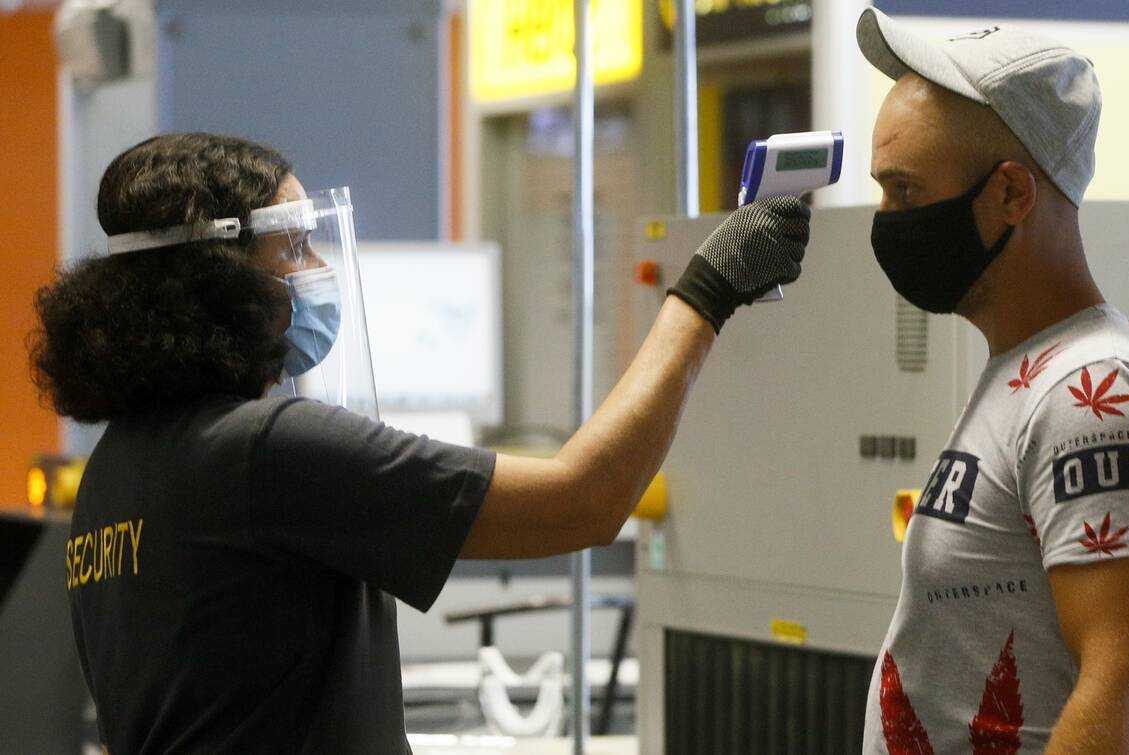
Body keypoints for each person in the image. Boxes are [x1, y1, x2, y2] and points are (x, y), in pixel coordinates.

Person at [30, 132, 810, 753]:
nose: (317, 268)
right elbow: (584, 500)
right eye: (294, 247)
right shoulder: (264, 453)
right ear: (218, 275)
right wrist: (705, 291)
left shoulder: (116, 468)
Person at [856, 10, 1129, 755]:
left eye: (906, 193)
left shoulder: (1096, 394)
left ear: (1012, 195)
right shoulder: (1027, 374)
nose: (886, 221)